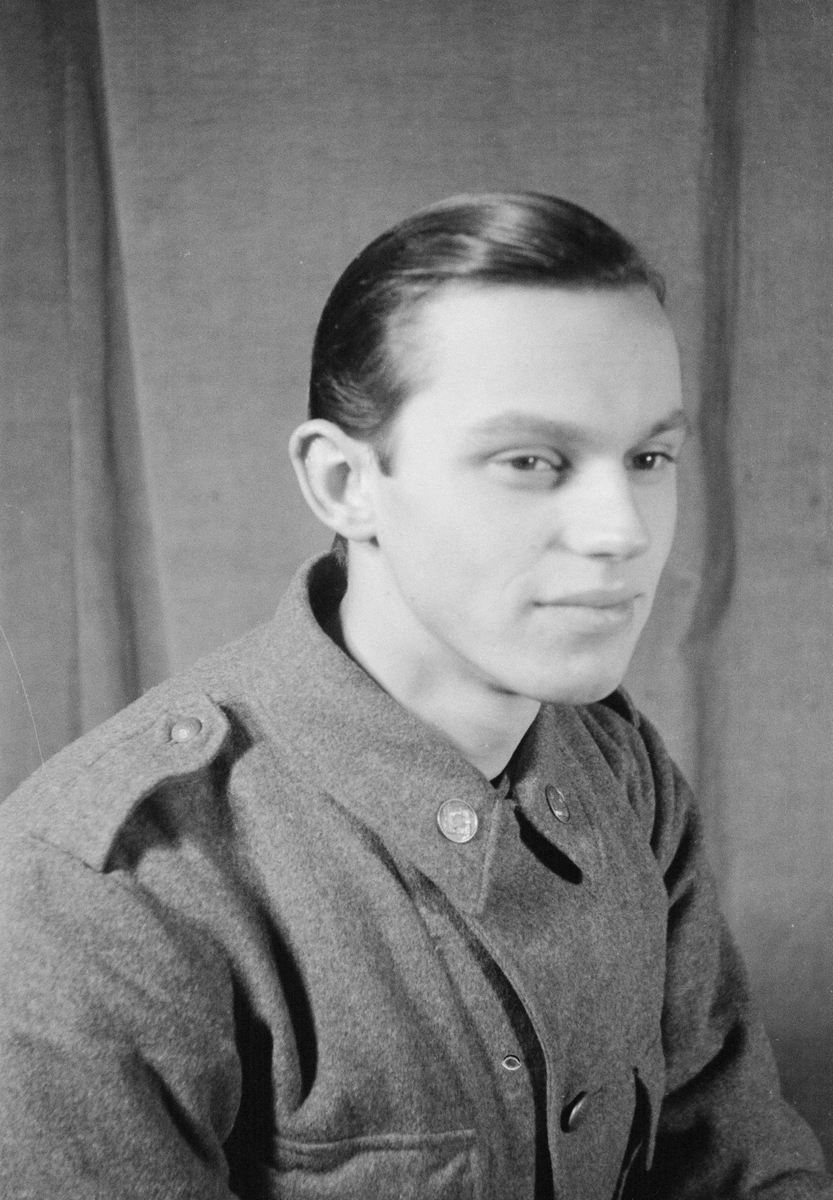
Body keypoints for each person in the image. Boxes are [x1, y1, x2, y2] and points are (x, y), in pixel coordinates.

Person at [0, 192, 829, 1200]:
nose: (621, 530)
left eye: (648, 457)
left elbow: (734, 1159)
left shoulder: (620, 773)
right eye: (531, 461)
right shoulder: (115, 885)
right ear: (344, 484)